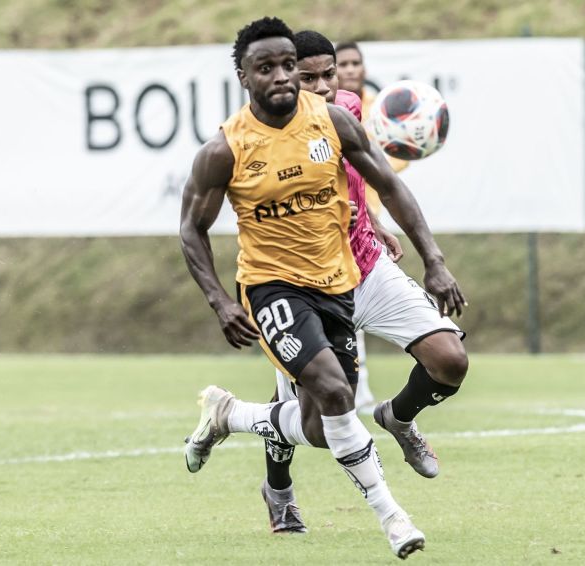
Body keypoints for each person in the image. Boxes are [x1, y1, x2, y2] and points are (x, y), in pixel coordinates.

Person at [180, 17, 463, 559]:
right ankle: (393, 517)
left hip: (342, 280)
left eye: (290, 65)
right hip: (271, 287)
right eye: (269, 68)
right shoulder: (226, 149)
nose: (285, 77)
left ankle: (229, 415)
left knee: (317, 425)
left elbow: (389, 185)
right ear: (244, 76)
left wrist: (433, 258)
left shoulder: (333, 121)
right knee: (337, 394)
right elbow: (191, 228)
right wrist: (220, 300)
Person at [254, 29, 468, 536]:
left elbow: (370, 179)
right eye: (311, 78)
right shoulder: (262, 137)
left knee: (451, 360)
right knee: (310, 421)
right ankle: (278, 489)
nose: (325, 86)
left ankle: (399, 415)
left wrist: (407, 244)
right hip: (304, 284)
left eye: (330, 74)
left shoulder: (345, 109)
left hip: (367, 267)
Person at [336, 40, 414, 411]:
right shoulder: (324, 111)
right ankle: (358, 383)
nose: (350, 70)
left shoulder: (377, 111)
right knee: (344, 299)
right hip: (336, 220)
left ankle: (361, 385)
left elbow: (387, 167)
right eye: (343, 64)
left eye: (356, 63)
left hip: (368, 214)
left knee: (359, 296)